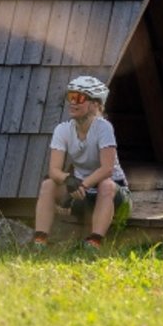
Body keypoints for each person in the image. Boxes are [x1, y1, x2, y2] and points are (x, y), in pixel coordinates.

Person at [32, 75, 129, 249]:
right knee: (48, 185)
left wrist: (82, 185)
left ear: (94, 104)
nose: (73, 102)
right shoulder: (62, 129)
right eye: (71, 97)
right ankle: (40, 240)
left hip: (112, 193)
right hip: (82, 192)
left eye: (79, 98)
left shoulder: (103, 127)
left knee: (106, 185)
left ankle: (94, 242)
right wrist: (70, 181)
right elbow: (54, 170)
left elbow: (107, 169)